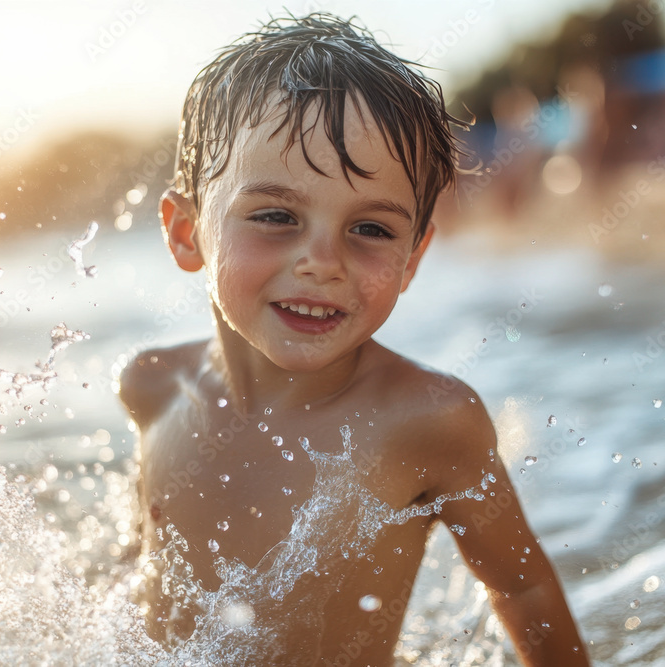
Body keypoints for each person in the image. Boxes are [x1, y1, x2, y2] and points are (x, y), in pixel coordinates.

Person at [119, 13, 589, 666]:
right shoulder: (153, 386)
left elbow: (523, 584)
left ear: (414, 257)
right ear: (185, 230)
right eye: (277, 216)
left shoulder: (426, 419)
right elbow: (139, 566)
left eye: (370, 229)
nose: (323, 261)